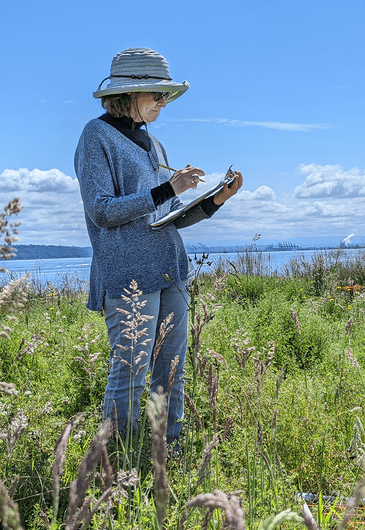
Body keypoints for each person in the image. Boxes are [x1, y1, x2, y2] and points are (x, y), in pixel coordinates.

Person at [74, 47, 243, 451]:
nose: (163, 103)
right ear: (130, 93)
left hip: (171, 269)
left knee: (171, 370)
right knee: (130, 373)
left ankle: (169, 450)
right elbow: (102, 211)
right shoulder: (95, 137)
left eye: (166, 95)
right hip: (128, 275)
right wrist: (169, 187)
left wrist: (215, 200)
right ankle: (121, 460)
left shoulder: (154, 144)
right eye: (157, 94)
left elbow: (168, 216)